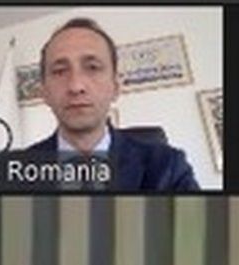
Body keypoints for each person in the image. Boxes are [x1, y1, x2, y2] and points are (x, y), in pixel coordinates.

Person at [16, 17, 199, 191]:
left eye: (93, 67)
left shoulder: (168, 167)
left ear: (115, 87)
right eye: (60, 71)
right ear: (44, 93)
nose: (76, 86)